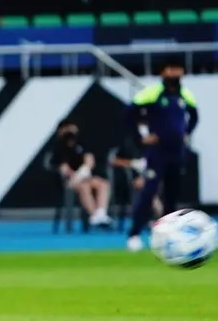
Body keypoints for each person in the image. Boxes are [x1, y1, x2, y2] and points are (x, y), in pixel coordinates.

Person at [125, 59, 198, 252]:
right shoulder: (153, 92)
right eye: (171, 69)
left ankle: (167, 236)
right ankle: (134, 234)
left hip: (177, 151)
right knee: (149, 192)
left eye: (178, 69)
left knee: (172, 196)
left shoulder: (185, 94)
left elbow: (194, 115)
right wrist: (140, 138)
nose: (175, 73)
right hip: (157, 152)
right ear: (163, 72)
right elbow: (130, 113)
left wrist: (186, 133)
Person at [51, 118, 113, 228]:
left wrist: (84, 170)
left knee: (103, 184)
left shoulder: (81, 144)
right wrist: (76, 176)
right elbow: (63, 167)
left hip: (85, 177)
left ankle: (101, 213)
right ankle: (94, 215)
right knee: (84, 186)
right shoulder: (58, 147)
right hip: (70, 180)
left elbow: (89, 159)